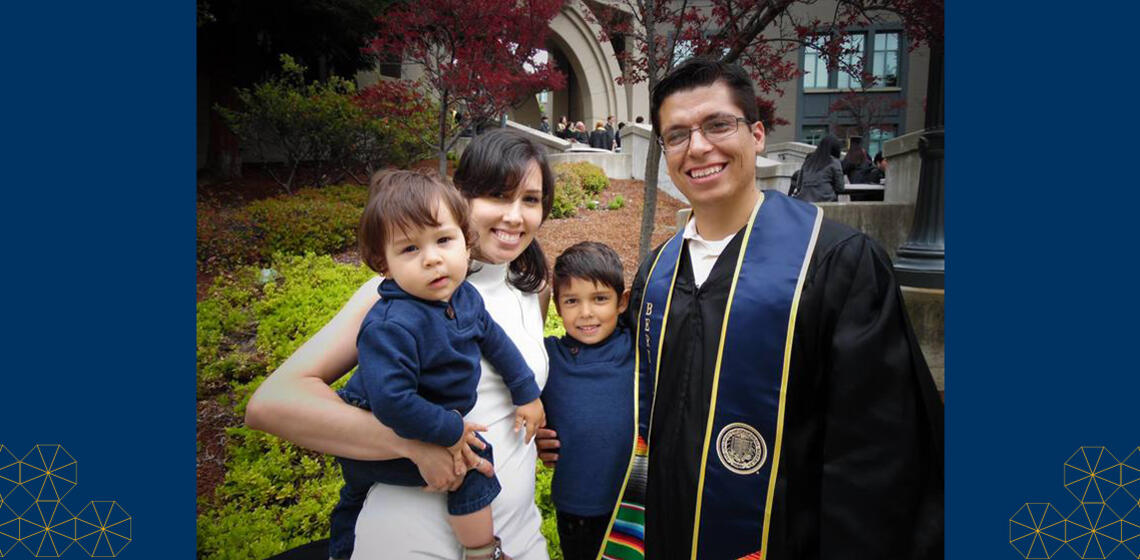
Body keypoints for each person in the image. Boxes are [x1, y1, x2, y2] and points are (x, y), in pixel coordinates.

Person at [559, 56, 943, 559]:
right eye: (677, 135)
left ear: (757, 134)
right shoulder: (657, 274)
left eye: (718, 124)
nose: (698, 147)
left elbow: (878, 459)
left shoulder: (833, 264)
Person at [246, 128, 557, 560]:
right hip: (413, 538)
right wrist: (410, 444)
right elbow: (271, 403)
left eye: (531, 199)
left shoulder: (532, 290)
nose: (515, 216)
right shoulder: (402, 294)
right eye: (497, 196)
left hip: (518, 535)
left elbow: (502, 388)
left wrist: (539, 429)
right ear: (460, 200)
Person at [327, 170, 546, 560]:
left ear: (466, 241)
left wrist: (526, 393)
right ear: (384, 264)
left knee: (352, 500)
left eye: (444, 240)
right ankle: (480, 550)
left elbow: (497, 343)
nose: (433, 259)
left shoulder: (464, 298)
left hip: (415, 416)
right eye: (410, 249)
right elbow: (392, 400)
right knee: (475, 462)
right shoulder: (391, 324)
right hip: (382, 421)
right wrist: (451, 431)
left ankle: (343, 542)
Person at [541, 242, 633, 560]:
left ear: (622, 302)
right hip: (576, 509)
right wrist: (537, 439)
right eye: (571, 301)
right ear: (557, 305)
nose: (586, 313)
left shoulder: (637, 348)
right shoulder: (548, 358)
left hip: (634, 505)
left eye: (600, 299)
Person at [788, 134, 845, 202]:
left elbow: (799, 185)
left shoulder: (808, 161)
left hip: (805, 201)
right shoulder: (834, 162)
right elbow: (840, 188)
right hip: (825, 200)